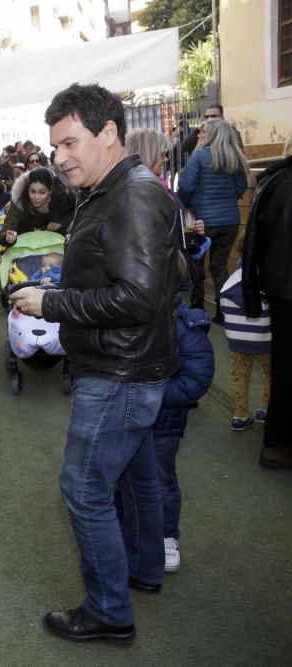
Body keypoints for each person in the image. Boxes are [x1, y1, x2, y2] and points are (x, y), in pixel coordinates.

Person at [10, 83, 179, 643]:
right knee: (135, 476)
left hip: (118, 373)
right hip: (129, 366)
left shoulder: (129, 193)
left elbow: (138, 298)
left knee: (84, 490)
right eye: (55, 146)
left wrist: (51, 302)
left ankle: (108, 611)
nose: (59, 158)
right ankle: (144, 571)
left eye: (69, 143)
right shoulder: (113, 189)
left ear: (108, 134)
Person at [148, 260, 214, 575]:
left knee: (161, 480)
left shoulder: (183, 324)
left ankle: (166, 536)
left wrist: (154, 394)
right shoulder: (123, 319)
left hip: (163, 424)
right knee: (118, 477)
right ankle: (125, 528)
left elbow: (196, 379)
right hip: (122, 416)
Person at [242, 136, 292, 469]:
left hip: (280, 291)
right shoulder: (277, 181)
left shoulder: (275, 181)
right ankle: (277, 444)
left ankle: (275, 443)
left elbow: (253, 243)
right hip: (283, 288)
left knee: (284, 369)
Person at [126, 128, 212, 308]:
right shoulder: (141, 193)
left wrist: (195, 231)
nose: (166, 159)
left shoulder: (160, 188)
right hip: (159, 281)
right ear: (147, 153)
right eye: (162, 154)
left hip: (171, 276)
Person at [178, 118, 249, 323]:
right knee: (219, 266)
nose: (201, 135)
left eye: (205, 132)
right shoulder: (234, 158)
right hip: (230, 221)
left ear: (213, 134)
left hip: (198, 220)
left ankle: (198, 306)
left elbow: (185, 185)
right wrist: (226, 201)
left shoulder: (199, 155)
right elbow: (241, 186)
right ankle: (223, 312)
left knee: (196, 264)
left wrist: (186, 207)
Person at [220, 268, 271, 431]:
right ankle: (264, 409)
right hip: (266, 341)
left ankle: (239, 415)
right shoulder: (269, 276)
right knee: (271, 375)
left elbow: (223, 306)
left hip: (238, 340)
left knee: (239, 376)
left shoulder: (232, 280)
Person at [0, 168, 73, 246]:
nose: (36, 197)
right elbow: (5, 231)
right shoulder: (18, 201)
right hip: (23, 244)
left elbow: (77, 209)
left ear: (50, 190)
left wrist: (62, 222)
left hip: (53, 242)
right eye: (32, 191)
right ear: (27, 190)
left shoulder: (61, 197)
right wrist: (8, 238)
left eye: (42, 192)